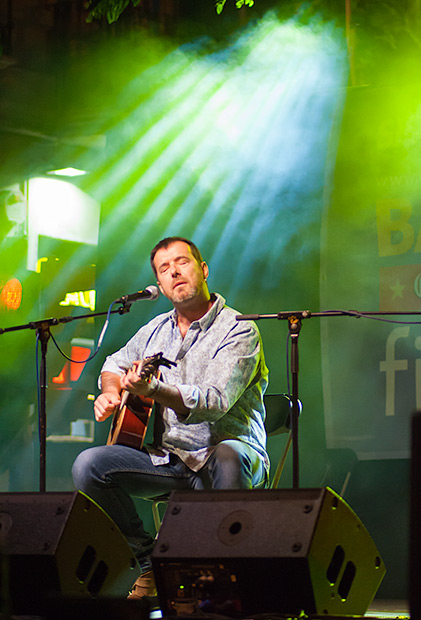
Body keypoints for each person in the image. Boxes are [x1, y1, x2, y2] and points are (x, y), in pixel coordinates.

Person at [72, 236, 269, 599]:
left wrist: (153, 391)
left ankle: (223, 581)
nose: (174, 271)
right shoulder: (155, 330)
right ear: (160, 286)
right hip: (169, 462)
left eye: (182, 262)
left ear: (203, 269)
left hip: (224, 461)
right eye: (164, 269)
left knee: (228, 454)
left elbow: (215, 401)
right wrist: (111, 392)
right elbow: (112, 363)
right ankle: (149, 565)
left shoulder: (239, 328)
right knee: (89, 465)